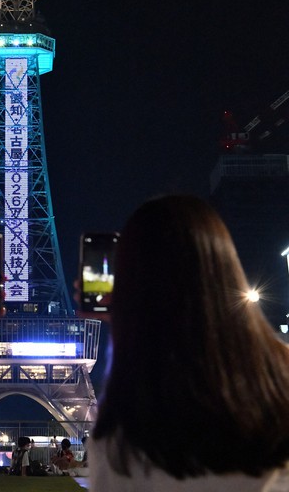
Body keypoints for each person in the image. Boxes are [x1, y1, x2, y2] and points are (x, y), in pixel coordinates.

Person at [87, 194, 289, 491]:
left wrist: (128, 325)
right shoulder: (278, 379)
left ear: (129, 283)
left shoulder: (121, 429)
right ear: (227, 269)